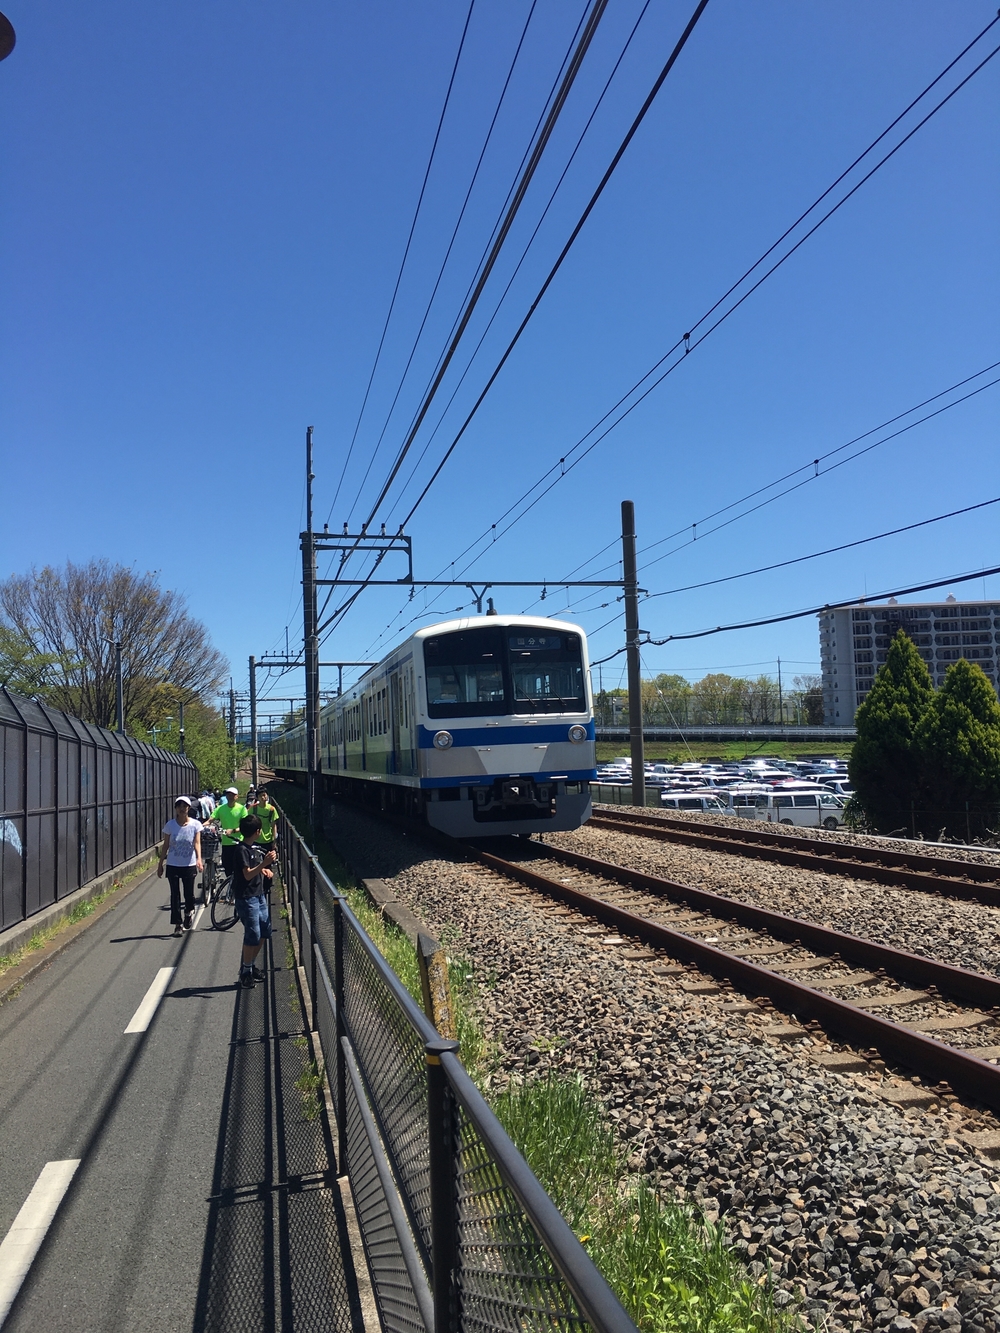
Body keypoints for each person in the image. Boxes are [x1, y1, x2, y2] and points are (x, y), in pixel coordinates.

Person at [233, 814, 276, 988]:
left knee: (265, 931)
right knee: (253, 934)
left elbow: (254, 870)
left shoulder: (253, 848)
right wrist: (264, 864)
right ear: (257, 832)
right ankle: (246, 972)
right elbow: (247, 873)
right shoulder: (242, 850)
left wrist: (263, 870)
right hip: (247, 897)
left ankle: (249, 965)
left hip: (258, 894)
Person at [157, 796, 204, 935]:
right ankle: (178, 924)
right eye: (179, 806)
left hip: (189, 864)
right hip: (173, 864)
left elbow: (197, 843)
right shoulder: (170, 825)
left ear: (189, 808)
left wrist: (199, 859)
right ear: (176, 809)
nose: (182, 809)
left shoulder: (195, 824)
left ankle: (189, 912)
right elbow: (165, 845)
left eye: (185, 806)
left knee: (189, 894)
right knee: (175, 895)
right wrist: (160, 864)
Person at [210, 786, 248, 881]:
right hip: (226, 843)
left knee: (240, 867)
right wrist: (201, 825)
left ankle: (238, 887)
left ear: (237, 796)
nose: (230, 796)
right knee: (227, 867)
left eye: (232, 794)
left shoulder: (242, 809)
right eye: (228, 794)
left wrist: (233, 830)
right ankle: (231, 887)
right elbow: (211, 819)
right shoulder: (221, 809)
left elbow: (245, 825)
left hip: (239, 842)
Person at [251, 787, 279, 852]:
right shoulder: (253, 808)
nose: (262, 797)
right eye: (260, 796)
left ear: (267, 796)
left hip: (268, 840)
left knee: (268, 860)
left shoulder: (271, 809)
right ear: (257, 797)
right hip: (255, 839)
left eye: (264, 795)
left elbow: (274, 825)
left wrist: (274, 841)